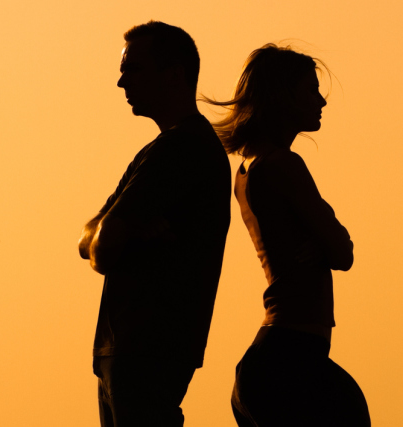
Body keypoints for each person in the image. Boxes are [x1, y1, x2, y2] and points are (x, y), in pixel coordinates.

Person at [205, 44, 370, 427]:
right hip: (291, 362)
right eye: (310, 90)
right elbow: (342, 251)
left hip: (272, 360)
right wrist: (326, 237)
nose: (321, 101)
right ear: (283, 97)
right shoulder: (284, 165)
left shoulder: (247, 171)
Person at [76, 21, 230, 427]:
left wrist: (111, 235)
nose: (121, 82)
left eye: (134, 69)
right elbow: (88, 237)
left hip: (146, 348)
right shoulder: (162, 150)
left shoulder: (182, 149)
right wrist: (113, 231)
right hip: (132, 350)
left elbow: (102, 247)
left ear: (174, 74)